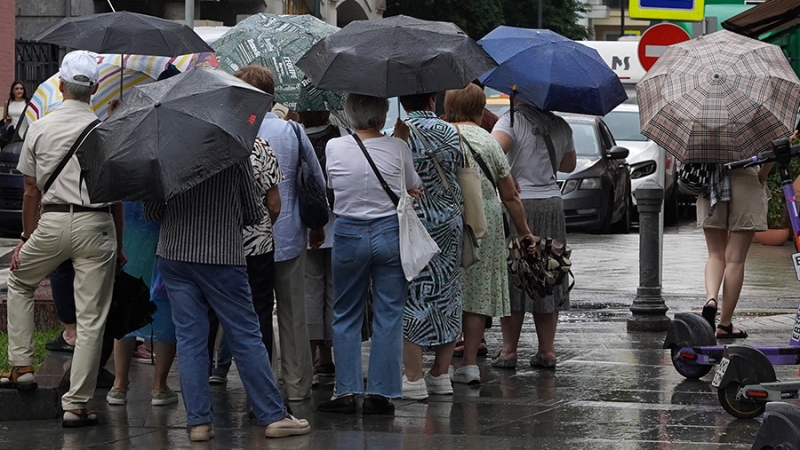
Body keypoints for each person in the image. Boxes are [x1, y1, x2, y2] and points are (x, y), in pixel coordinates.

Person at [143, 149, 309, 440]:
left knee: (190, 338)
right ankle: (272, 415)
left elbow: (153, 211)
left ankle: (198, 423)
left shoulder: (166, 153)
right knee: (244, 333)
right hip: (222, 255)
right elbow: (253, 212)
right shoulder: (232, 150)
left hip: (174, 254)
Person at [1, 51, 125, 428]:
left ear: (59, 84)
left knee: (20, 281)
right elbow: (116, 193)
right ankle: (77, 403)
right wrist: (118, 244)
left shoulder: (40, 127)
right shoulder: (108, 130)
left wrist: (26, 238)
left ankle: (21, 364)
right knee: (91, 319)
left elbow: (28, 191)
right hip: (97, 225)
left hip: (52, 222)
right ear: (96, 88)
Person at [317, 94, 422, 415]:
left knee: (346, 311)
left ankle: (346, 389)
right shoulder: (398, 147)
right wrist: (399, 142)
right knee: (389, 313)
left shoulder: (334, 147)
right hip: (389, 233)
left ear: (350, 115)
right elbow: (413, 185)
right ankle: (382, 391)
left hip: (348, 233)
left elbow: (332, 184)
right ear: (383, 115)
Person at [443, 85, 535, 384]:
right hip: (483, 224)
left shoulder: (438, 136)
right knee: (477, 293)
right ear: (480, 107)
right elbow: (510, 195)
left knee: (446, 290)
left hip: (444, 222)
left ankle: (438, 368)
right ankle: (469, 363)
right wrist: (524, 233)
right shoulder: (487, 140)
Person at [207, 66, 284, 385]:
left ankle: (209, 370)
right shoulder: (262, 147)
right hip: (257, 246)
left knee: (211, 311)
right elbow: (274, 203)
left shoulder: (210, 141)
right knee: (259, 312)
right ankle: (260, 382)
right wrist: (261, 227)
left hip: (215, 243)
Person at [256, 68, 327, 402]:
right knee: (293, 311)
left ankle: (262, 380)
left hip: (247, 237)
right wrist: (316, 225)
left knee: (253, 312)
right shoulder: (293, 130)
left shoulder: (241, 129)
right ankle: (297, 384)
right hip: (289, 233)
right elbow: (315, 179)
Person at [491, 101, 577, 369]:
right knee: (548, 273)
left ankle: (508, 351)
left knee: (515, 275)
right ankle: (547, 351)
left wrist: (506, 172)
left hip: (518, 203)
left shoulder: (512, 121)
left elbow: (491, 151)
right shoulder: (561, 124)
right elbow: (569, 165)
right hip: (552, 203)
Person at [398, 92, 463, 400]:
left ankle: (413, 378)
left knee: (415, 293)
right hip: (450, 220)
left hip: (415, 222)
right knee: (448, 294)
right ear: (431, 100)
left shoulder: (401, 131)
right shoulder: (452, 130)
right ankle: (441, 374)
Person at [106, 202, 178, 407]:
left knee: (127, 307)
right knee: (165, 309)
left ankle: (119, 385)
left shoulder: (129, 172)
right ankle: (159, 386)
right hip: (166, 239)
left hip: (130, 237)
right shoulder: (168, 171)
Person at [298, 110, 349, 380]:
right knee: (335, 294)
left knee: (309, 293)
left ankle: (310, 357)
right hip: (338, 225)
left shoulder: (294, 136)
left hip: (305, 229)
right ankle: (331, 357)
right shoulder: (339, 136)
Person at [698, 163, 772, 339]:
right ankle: (724, 324)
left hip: (711, 181)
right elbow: (772, 148)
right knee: (735, 259)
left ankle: (711, 299)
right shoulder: (749, 132)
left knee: (715, 254)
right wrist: (762, 175)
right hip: (746, 180)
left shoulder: (703, 133)